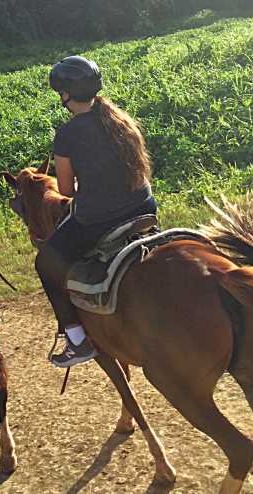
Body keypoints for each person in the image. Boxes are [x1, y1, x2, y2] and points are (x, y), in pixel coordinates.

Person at [36, 56, 157, 368]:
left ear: (65, 94)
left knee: (46, 262)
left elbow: (66, 191)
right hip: (144, 207)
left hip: (100, 218)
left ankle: (77, 340)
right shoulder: (120, 119)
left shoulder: (68, 133)